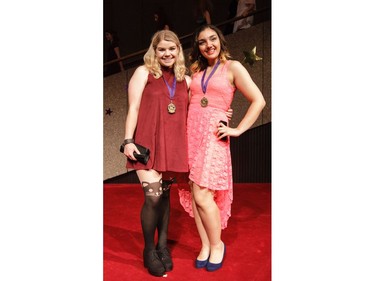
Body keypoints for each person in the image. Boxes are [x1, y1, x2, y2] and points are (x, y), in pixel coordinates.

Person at [178, 24, 266, 272]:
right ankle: (205, 244)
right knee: (195, 191)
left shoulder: (233, 67)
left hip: (214, 136)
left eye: (212, 39)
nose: (209, 45)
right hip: (191, 133)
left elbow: (259, 100)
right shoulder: (196, 71)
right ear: (198, 46)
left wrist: (237, 129)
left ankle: (217, 244)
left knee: (204, 194)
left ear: (221, 40)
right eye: (203, 42)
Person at [121, 30, 191, 277]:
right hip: (147, 144)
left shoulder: (186, 80)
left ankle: (163, 246)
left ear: (178, 50)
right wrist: (128, 140)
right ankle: (149, 249)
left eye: (172, 49)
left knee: (164, 198)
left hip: (174, 146)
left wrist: (221, 115)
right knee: (152, 197)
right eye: (162, 49)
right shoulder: (143, 73)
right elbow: (134, 107)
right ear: (154, 50)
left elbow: (197, 111)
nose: (167, 53)